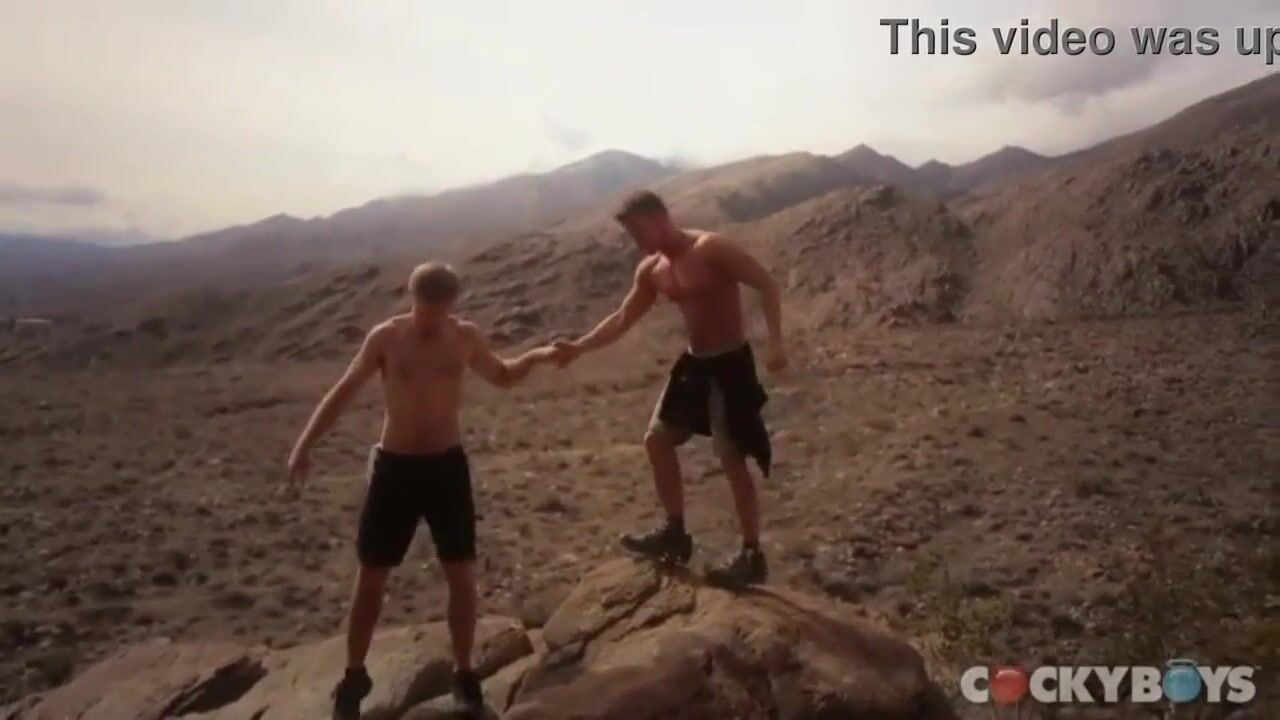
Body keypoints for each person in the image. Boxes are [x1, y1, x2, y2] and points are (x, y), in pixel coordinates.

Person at [284, 262, 556, 720]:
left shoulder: (464, 336)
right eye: (426, 309)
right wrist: (304, 445)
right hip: (396, 468)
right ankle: (353, 678)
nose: (433, 319)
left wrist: (539, 355)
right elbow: (345, 390)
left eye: (441, 310)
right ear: (413, 299)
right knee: (372, 575)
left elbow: (503, 375)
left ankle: (465, 675)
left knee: (461, 573)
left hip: (446, 467)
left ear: (452, 304)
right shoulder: (386, 338)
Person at [551, 190, 787, 589]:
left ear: (660, 218)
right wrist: (578, 347)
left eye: (638, 230)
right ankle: (675, 533)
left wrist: (776, 344)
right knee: (657, 441)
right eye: (629, 234)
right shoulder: (652, 269)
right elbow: (623, 317)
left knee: (731, 457)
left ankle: (751, 554)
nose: (635, 241)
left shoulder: (710, 248)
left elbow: (766, 284)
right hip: (694, 363)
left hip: (730, 363)